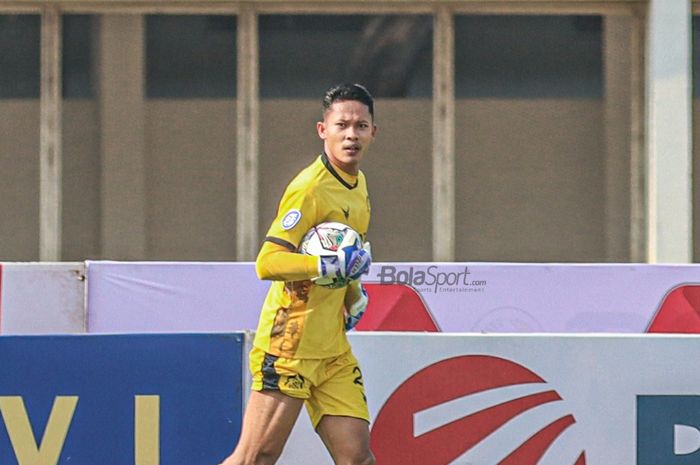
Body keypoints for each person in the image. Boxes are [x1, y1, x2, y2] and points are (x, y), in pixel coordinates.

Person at [219, 83, 377, 465]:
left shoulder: (358, 185)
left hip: (333, 349)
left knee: (357, 458)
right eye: (342, 125)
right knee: (255, 459)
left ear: (373, 131)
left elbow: (341, 259)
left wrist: (354, 292)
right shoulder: (309, 189)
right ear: (323, 130)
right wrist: (323, 266)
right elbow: (268, 263)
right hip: (290, 345)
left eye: (360, 126)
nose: (351, 135)